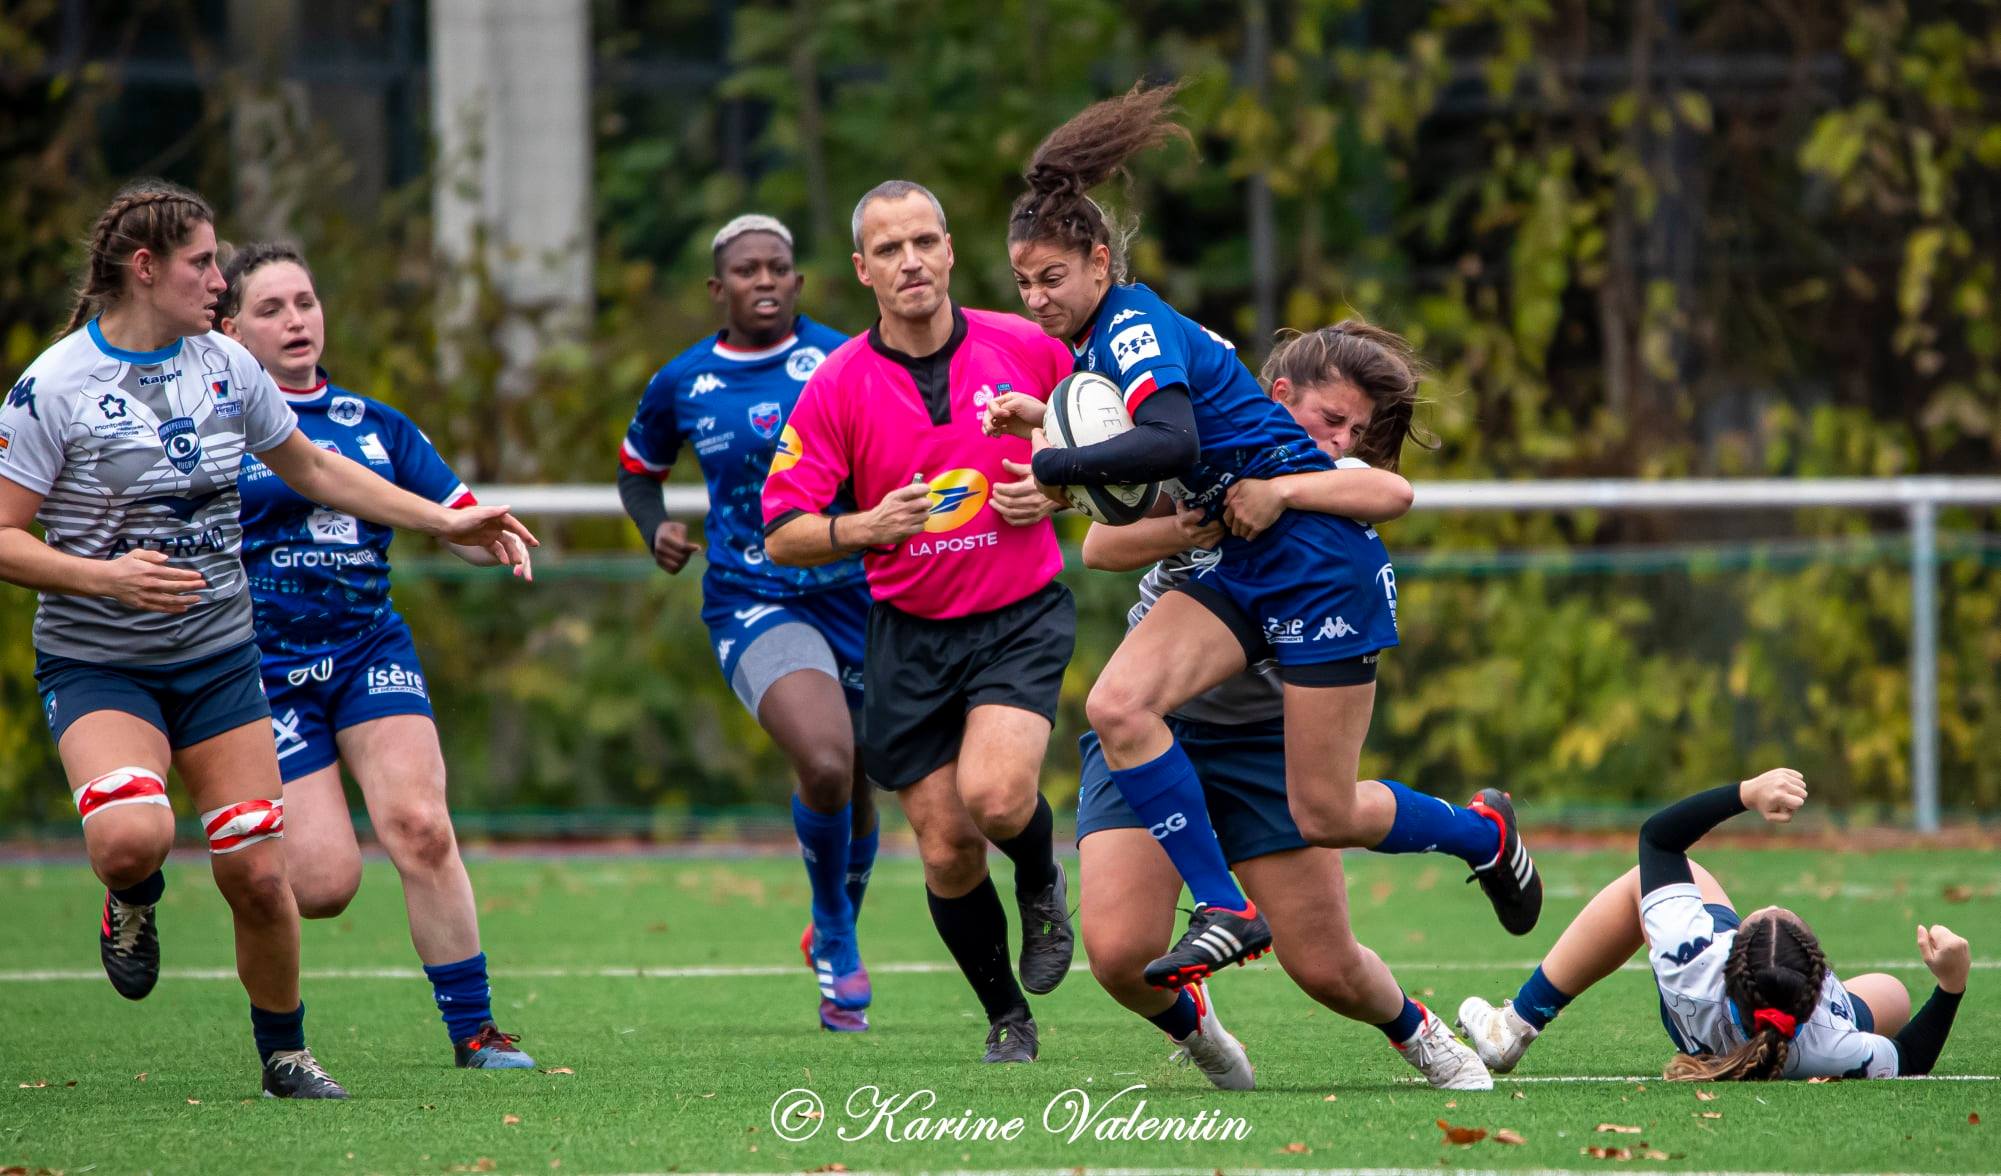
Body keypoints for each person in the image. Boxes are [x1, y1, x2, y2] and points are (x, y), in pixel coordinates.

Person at [987, 82, 1540, 992]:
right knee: (1117, 706)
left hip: (1319, 568)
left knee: (1324, 810)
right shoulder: (1102, 339)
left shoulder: (1131, 325)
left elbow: (1170, 442)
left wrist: (1054, 466)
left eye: (1052, 279)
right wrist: (1049, 433)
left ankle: (1480, 832)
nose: (1037, 298)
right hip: (1243, 564)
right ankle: (1226, 907)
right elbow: (1133, 475)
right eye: (1023, 284)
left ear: (1098, 262)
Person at [0, 180, 534, 1098]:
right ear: (145, 268)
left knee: (258, 873)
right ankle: (131, 895)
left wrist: (444, 520)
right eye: (204, 263)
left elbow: (315, 466)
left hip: (222, 658)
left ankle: (287, 1055)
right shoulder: (53, 386)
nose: (219, 279)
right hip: (102, 659)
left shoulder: (224, 367)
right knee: (133, 838)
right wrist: (106, 576)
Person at [1077, 321, 1490, 1091]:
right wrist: (1191, 526)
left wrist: (1280, 491)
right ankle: (1198, 1030)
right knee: (1117, 954)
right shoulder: (1199, 447)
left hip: (1261, 740)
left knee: (1326, 968)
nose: (1339, 440)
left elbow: (1392, 492)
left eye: (1354, 431)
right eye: (1330, 419)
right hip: (1151, 727)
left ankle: (1418, 1031)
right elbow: (1099, 547)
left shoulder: (1329, 477)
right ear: (1277, 395)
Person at [763, 181, 1076, 1062]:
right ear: (862, 270)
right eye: (888, 249)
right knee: (946, 849)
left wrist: (1057, 492)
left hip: (1017, 616)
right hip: (909, 636)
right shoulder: (836, 385)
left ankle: (1042, 878)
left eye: (923, 242)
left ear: (949, 250)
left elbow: (1113, 452)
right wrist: (865, 527)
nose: (910, 262)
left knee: (997, 796)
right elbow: (782, 532)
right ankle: (1007, 1017)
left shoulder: (1027, 347)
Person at [217, 241, 536, 1070]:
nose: (296, 320)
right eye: (271, 308)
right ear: (231, 331)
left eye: (305, 302)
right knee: (322, 886)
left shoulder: (375, 424)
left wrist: (487, 538)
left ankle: (476, 1032)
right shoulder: (213, 429)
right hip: (262, 672)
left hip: (367, 651)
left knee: (422, 827)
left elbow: (455, 516)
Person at [616, 214, 877, 1033]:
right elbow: (637, 470)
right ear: (716, 287)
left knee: (862, 775)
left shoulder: (845, 359)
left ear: (798, 282)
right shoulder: (683, 381)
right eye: (745, 269)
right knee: (826, 760)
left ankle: (835, 918)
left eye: (777, 268)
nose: (763, 280)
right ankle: (835, 932)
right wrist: (654, 526)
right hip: (752, 595)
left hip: (860, 591)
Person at [1456, 768, 1971, 1081]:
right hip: (1790, 1044)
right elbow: (1911, 1056)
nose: (1773, 907)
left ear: (1731, 953)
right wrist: (1951, 985)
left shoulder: (1692, 954)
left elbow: (1658, 838)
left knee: (1645, 883)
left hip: (1696, 1012)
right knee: (1894, 994)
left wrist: (1746, 793)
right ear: (1817, 985)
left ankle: (1516, 1024)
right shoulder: (1832, 1040)